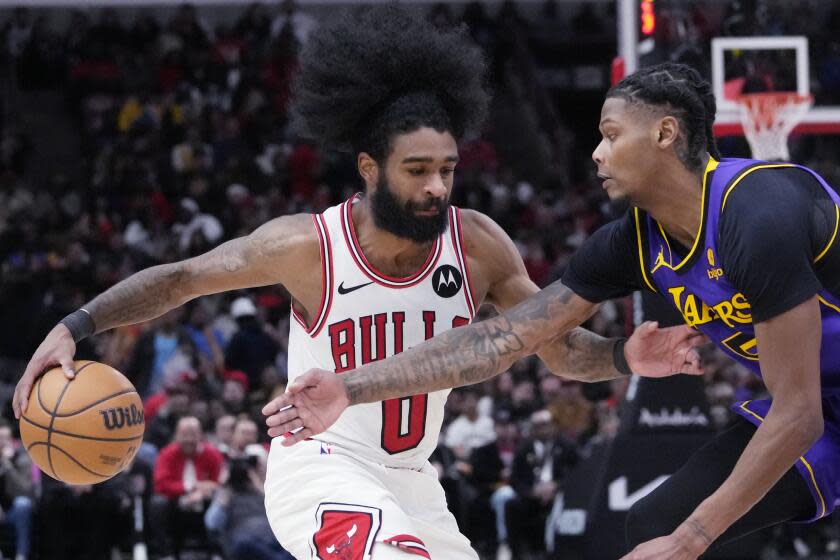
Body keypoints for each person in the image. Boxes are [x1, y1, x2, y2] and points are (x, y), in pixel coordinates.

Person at [14, 8, 696, 558]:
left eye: (448, 169)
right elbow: (182, 279)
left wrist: (622, 357)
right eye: (417, 169)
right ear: (370, 168)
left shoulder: (479, 244)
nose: (436, 187)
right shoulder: (308, 245)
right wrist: (71, 328)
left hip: (412, 486)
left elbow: (554, 346)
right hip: (319, 468)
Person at [264, 62, 840, 560]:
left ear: (666, 133)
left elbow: (797, 413)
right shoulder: (633, 241)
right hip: (823, 408)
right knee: (655, 528)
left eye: (611, 135)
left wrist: (692, 539)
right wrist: (351, 386)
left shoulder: (757, 210)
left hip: (808, 409)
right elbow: (503, 339)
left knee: (684, 536)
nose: (596, 152)